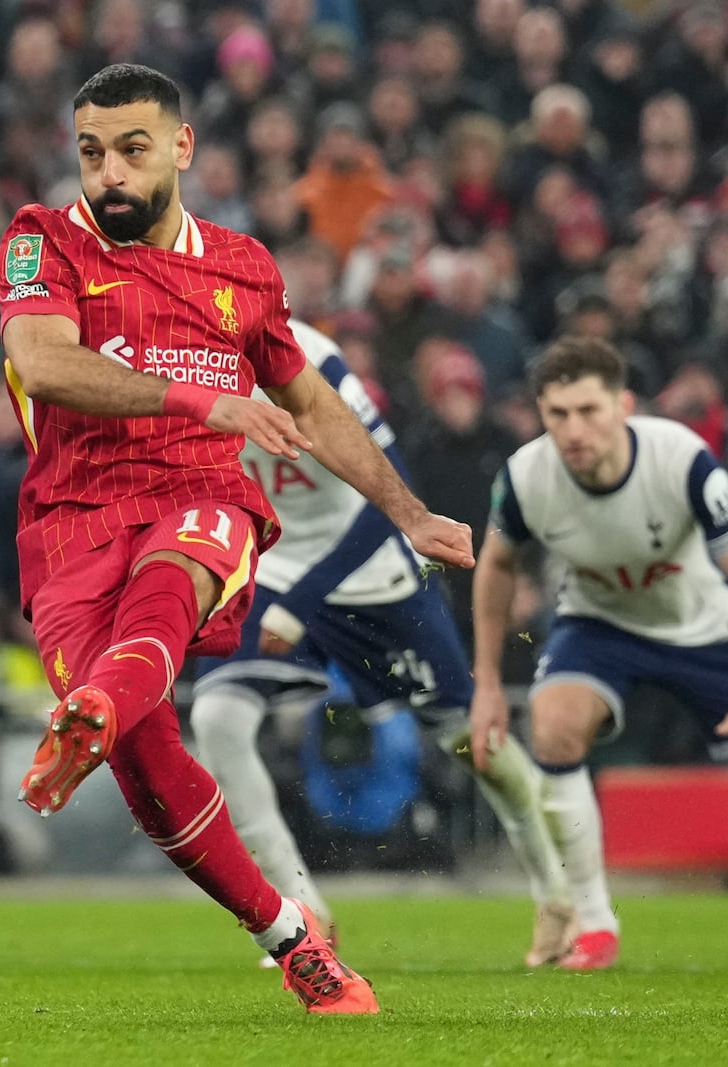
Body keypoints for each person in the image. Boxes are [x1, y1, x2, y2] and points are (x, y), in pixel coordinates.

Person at [0, 64, 472, 1014]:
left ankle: (96, 703)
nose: (109, 175)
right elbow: (41, 364)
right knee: (148, 767)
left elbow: (311, 402)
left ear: (182, 147)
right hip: (70, 521)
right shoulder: (40, 240)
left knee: (183, 568)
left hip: (200, 497)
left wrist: (406, 510)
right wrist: (201, 394)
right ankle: (294, 938)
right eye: (91, 153)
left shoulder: (245, 266)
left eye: (131, 150)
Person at [189, 319, 570, 968]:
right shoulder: (172, 365)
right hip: (275, 564)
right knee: (216, 715)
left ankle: (560, 890)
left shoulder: (313, 360)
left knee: (469, 737)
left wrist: (302, 604)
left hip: (370, 571)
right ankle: (301, 912)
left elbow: (385, 500)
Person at [471, 337, 728, 972]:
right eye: (558, 415)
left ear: (623, 405)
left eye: (589, 411)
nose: (574, 430)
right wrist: (488, 682)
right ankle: (595, 924)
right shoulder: (524, 477)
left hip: (706, 626)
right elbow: (495, 566)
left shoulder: (682, 459)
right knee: (552, 723)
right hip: (599, 624)